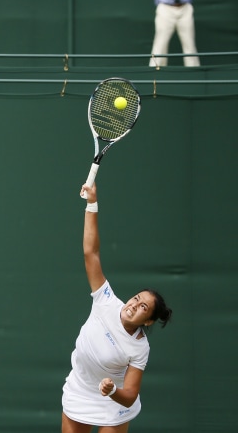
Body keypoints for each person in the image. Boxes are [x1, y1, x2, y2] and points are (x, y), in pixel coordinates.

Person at [61, 183, 173, 433]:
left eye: (143, 307)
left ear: (148, 321)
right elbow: (91, 252)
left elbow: (130, 394)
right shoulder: (106, 299)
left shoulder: (140, 347)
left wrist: (112, 390)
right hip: (80, 387)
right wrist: (92, 203)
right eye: (136, 298)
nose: (134, 305)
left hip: (114, 400)